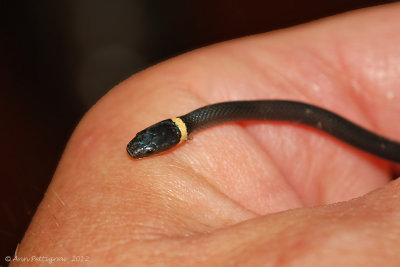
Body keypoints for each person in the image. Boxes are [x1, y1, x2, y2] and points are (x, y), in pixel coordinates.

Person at [14, 3, 400, 266]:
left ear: (172, 134)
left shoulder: (202, 117)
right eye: (147, 146)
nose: (142, 149)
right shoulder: (196, 119)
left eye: (148, 147)